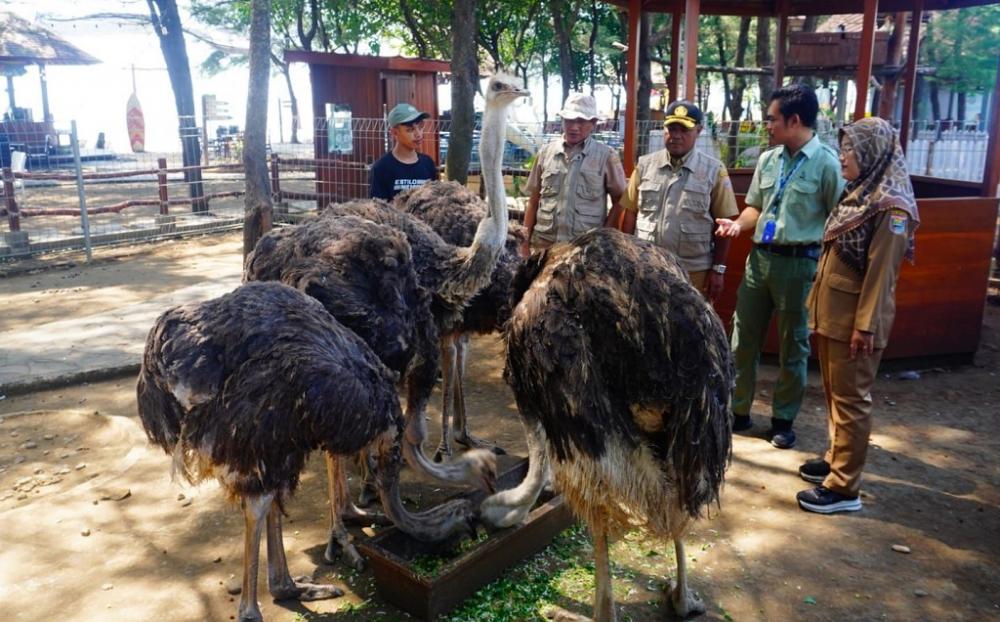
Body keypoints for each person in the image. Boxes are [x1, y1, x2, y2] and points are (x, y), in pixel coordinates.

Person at [796, 117, 919, 513]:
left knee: (852, 400)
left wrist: (865, 326)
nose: (842, 156)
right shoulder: (860, 194)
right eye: (843, 147)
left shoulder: (891, 206)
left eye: (849, 149)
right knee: (836, 395)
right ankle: (835, 460)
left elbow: (882, 275)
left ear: (871, 153)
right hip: (834, 317)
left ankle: (845, 488)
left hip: (855, 324)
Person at [715, 84, 844, 449]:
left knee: (793, 346)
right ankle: (737, 411)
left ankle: (783, 420)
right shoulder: (769, 160)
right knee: (742, 340)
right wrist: (739, 225)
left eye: (772, 119)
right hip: (760, 260)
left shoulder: (827, 164)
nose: (766, 125)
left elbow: (839, 220)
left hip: (799, 266)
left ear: (795, 120)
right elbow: (756, 206)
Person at [619, 101, 738, 302]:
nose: (676, 135)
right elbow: (630, 214)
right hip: (647, 267)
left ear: (698, 131)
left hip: (692, 271)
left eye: (684, 130)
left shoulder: (713, 171)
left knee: (690, 329)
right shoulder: (645, 165)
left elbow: (724, 224)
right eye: (671, 129)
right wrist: (625, 258)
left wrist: (718, 269)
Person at [521, 93, 627, 256]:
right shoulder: (546, 153)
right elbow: (534, 201)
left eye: (581, 121)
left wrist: (605, 237)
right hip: (544, 247)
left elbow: (620, 199)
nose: (574, 126)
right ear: (562, 120)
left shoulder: (606, 156)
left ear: (593, 123)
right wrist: (525, 243)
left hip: (585, 251)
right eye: (569, 120)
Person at [370, 103, 439, 200]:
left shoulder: (428, 163)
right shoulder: (381, 168)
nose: (418, 134)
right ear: (394, 133)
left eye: (420, 127)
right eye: (410, 130)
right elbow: (378, 209)